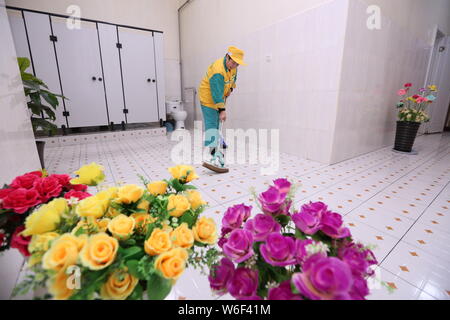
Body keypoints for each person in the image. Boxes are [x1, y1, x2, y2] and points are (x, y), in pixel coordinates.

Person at [199, 46, 247, 172]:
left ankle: (218, 144)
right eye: (234, 62)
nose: (235, 66)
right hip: (208, 98)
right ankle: (213, 152)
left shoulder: (233, 67)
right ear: (227, 57)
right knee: (211, 124)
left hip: (220, 96)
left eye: (237, 64)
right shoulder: (218, 71)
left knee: (217, 123)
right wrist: (222, 110)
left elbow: (233, 79)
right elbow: (216, 92)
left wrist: (230, 89)